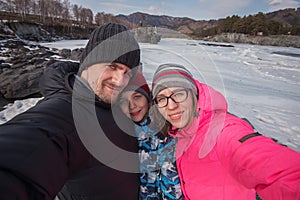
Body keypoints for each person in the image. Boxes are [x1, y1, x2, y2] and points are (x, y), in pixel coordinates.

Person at [0, 23, 141, 199]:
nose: (120, 80)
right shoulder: (66, 113)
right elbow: (26, 151)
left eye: (127, 72)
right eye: (112, 66)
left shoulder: (115, 101)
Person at [151, 63, 300, 200]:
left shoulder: (222, 130)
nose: (171, 106)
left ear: (194, 93)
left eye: (178, 94)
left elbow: (280, 173)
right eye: (162, 98)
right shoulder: (179, 133)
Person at [118, 71, 183, 199]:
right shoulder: (121, 132)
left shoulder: (168, 125)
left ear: (148, 98)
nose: (132, 106)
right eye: (124, 100)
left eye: (137, 97)